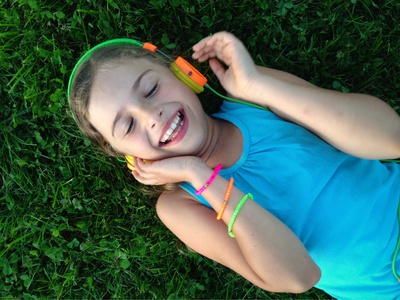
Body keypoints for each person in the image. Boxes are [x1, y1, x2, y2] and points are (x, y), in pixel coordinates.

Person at [68, 31, 400, 299]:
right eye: (127, 127)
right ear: (128, 156)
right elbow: (298, 276)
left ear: (185, 73)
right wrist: (199, 175)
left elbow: (391, 137)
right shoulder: (180, 204)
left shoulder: (252, 97)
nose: (151, 116)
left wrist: (258, 84)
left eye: (152, 89)